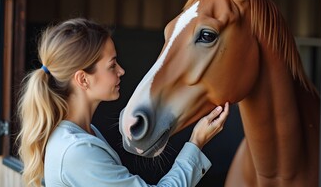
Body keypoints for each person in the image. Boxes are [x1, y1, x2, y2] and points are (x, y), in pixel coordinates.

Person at [17, 18, 230, 187]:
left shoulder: (84, 133)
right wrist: (196, 142)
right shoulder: (76, 151)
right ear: (83, 79)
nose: (121, 71)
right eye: (112, 65)